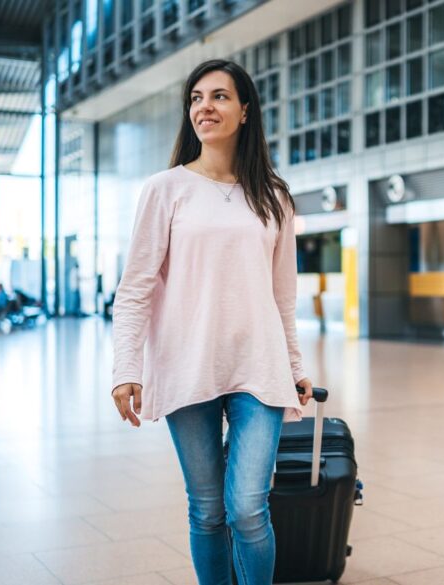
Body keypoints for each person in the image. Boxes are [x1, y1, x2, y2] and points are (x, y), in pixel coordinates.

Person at [110, 59, 314, 585]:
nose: (206, 106)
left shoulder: (274, 197)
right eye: (197, 98)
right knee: (207, 510)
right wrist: (125, 368)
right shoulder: (165, 189)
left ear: (245, 111)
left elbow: (282, 297)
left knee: (248, 508)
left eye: (220, 96)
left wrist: (295, 367)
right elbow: (135, 289)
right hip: (186, 364)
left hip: (260, 366)